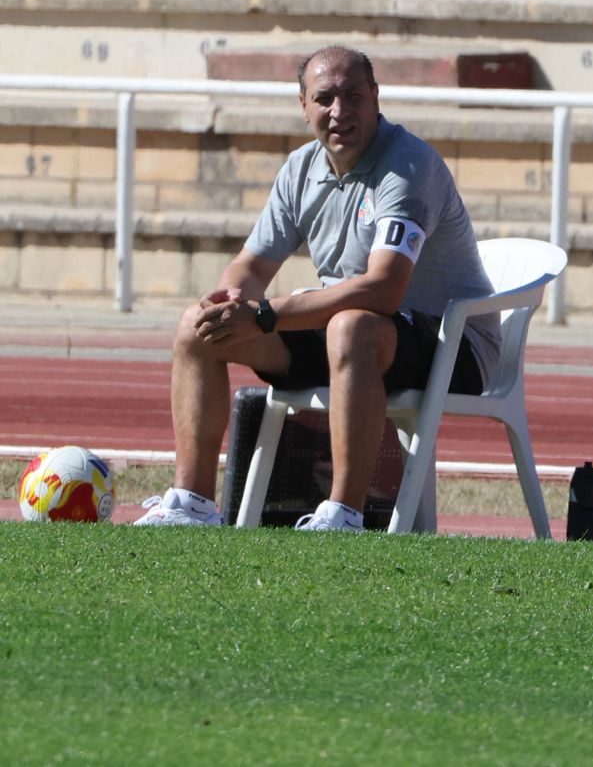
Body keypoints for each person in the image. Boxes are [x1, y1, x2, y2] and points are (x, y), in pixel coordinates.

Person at [134, 46, 499, 533]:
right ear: (303, 104)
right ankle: (193, 504)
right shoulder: (300, 169)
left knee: (352, 328)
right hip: (355, 338)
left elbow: (384, 290)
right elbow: (252, 264)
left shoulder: (408, 167)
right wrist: (230, 301)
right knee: (198, 328)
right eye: (325, 98)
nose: (339, 111)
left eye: (352, 96)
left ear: (375, 97)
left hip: (453, 345)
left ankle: (343, 516)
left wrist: (266, 315)